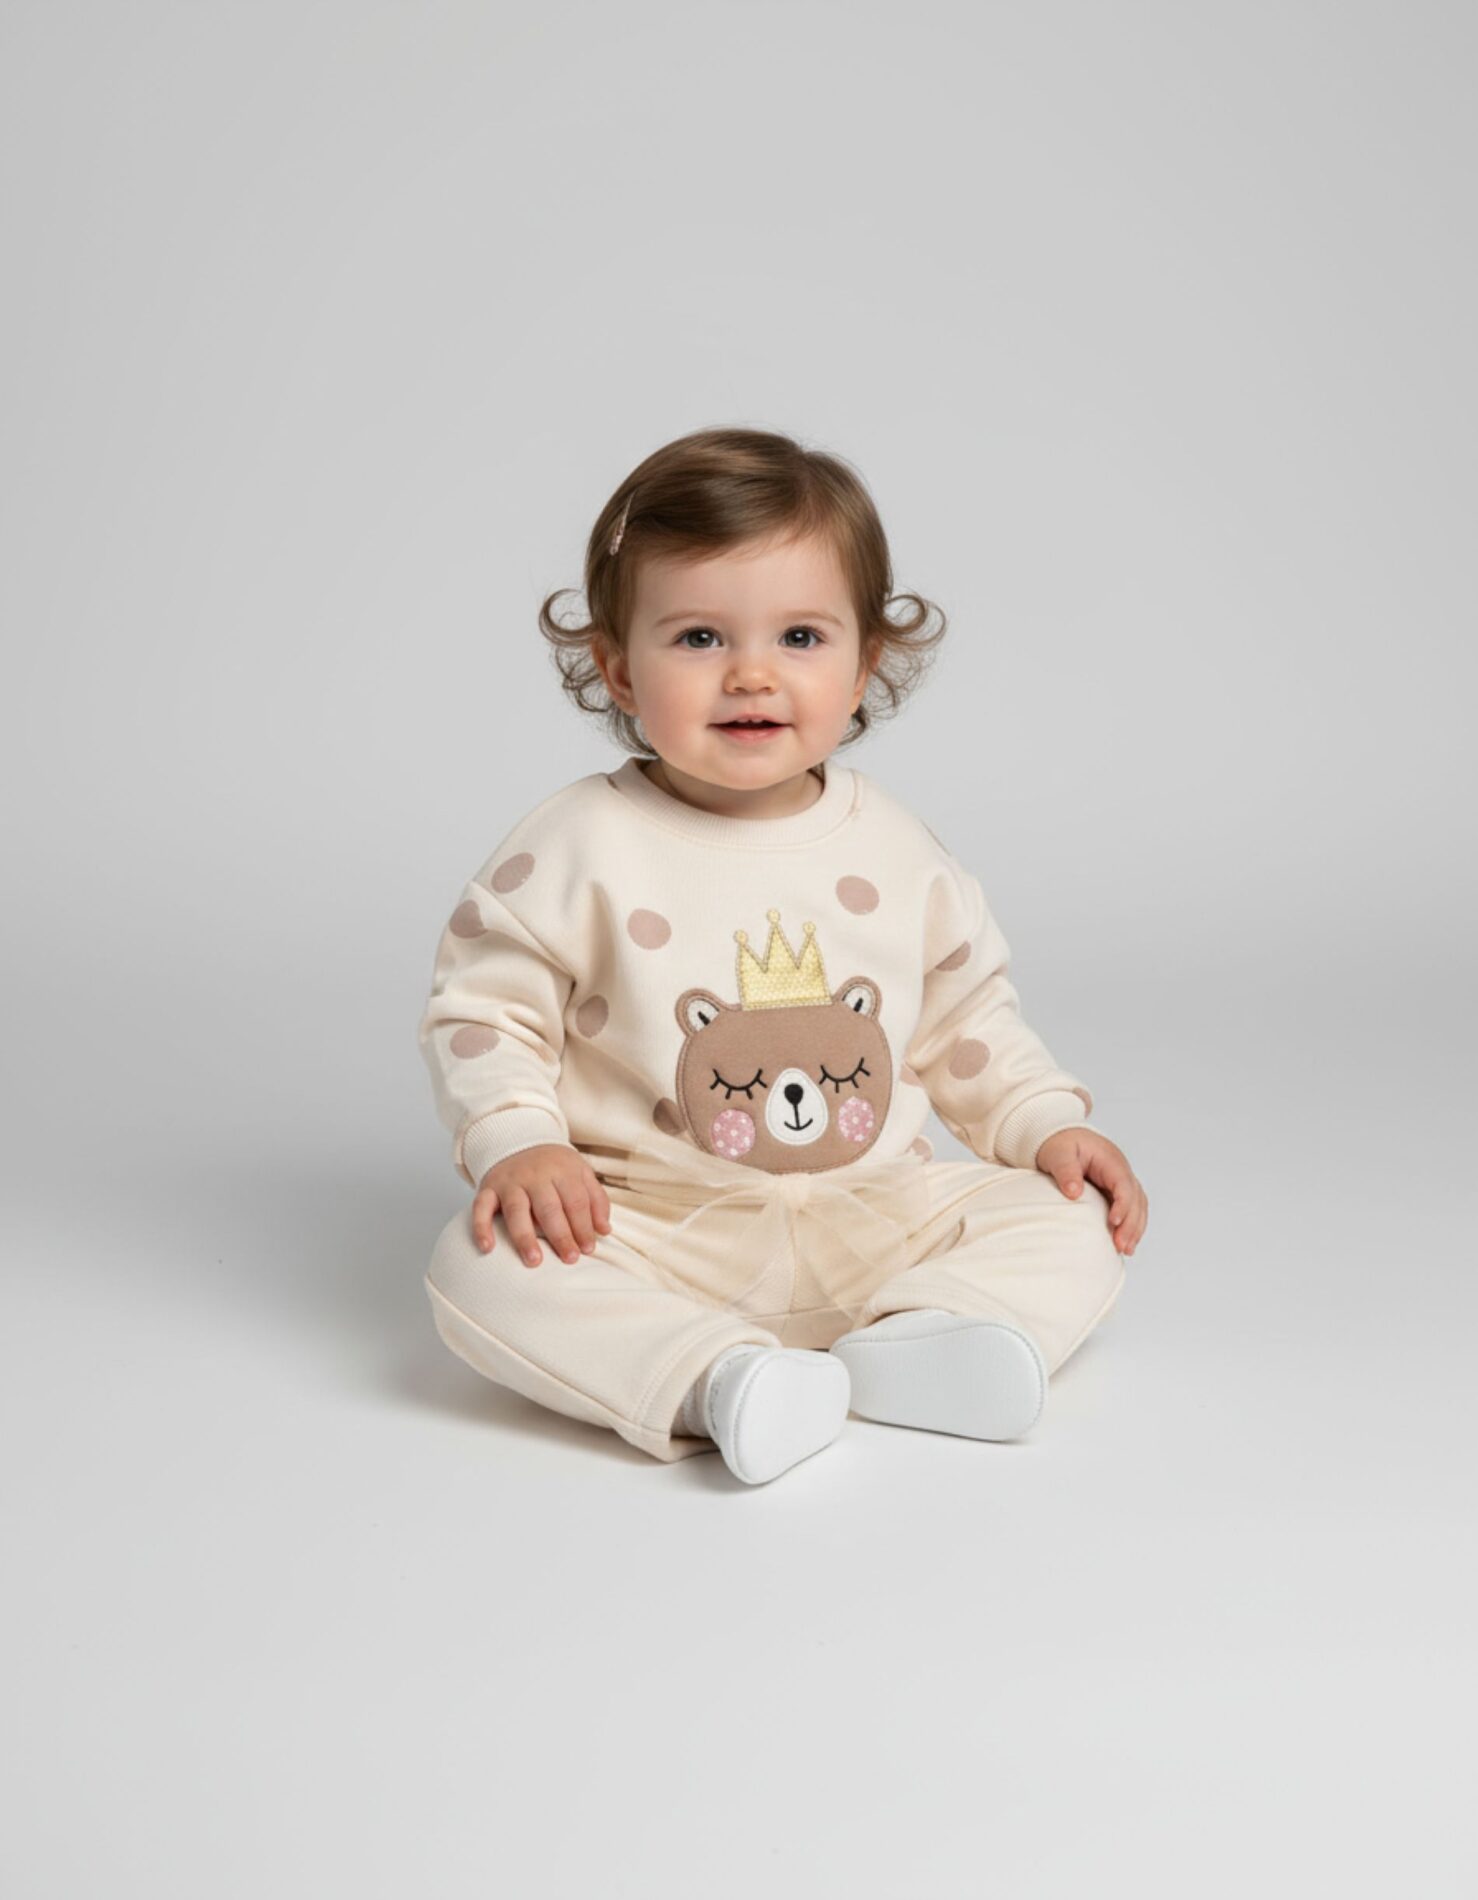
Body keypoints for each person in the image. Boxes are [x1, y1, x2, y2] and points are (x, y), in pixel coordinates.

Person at [418, 425, 1148, 1485]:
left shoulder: (895, 847)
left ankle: (932, 1338)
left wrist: (1043, 1122)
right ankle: (717, 1378)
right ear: (618, 668)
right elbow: (484, 1012)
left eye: (800, 637)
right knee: (479, 1264)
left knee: (1070, 1216)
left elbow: (964, 1020)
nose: (751, 674)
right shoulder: (575, 846)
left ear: (863, 666)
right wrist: (519, 1143)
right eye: (698, 638)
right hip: (654, 1223)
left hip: (877, 1218)